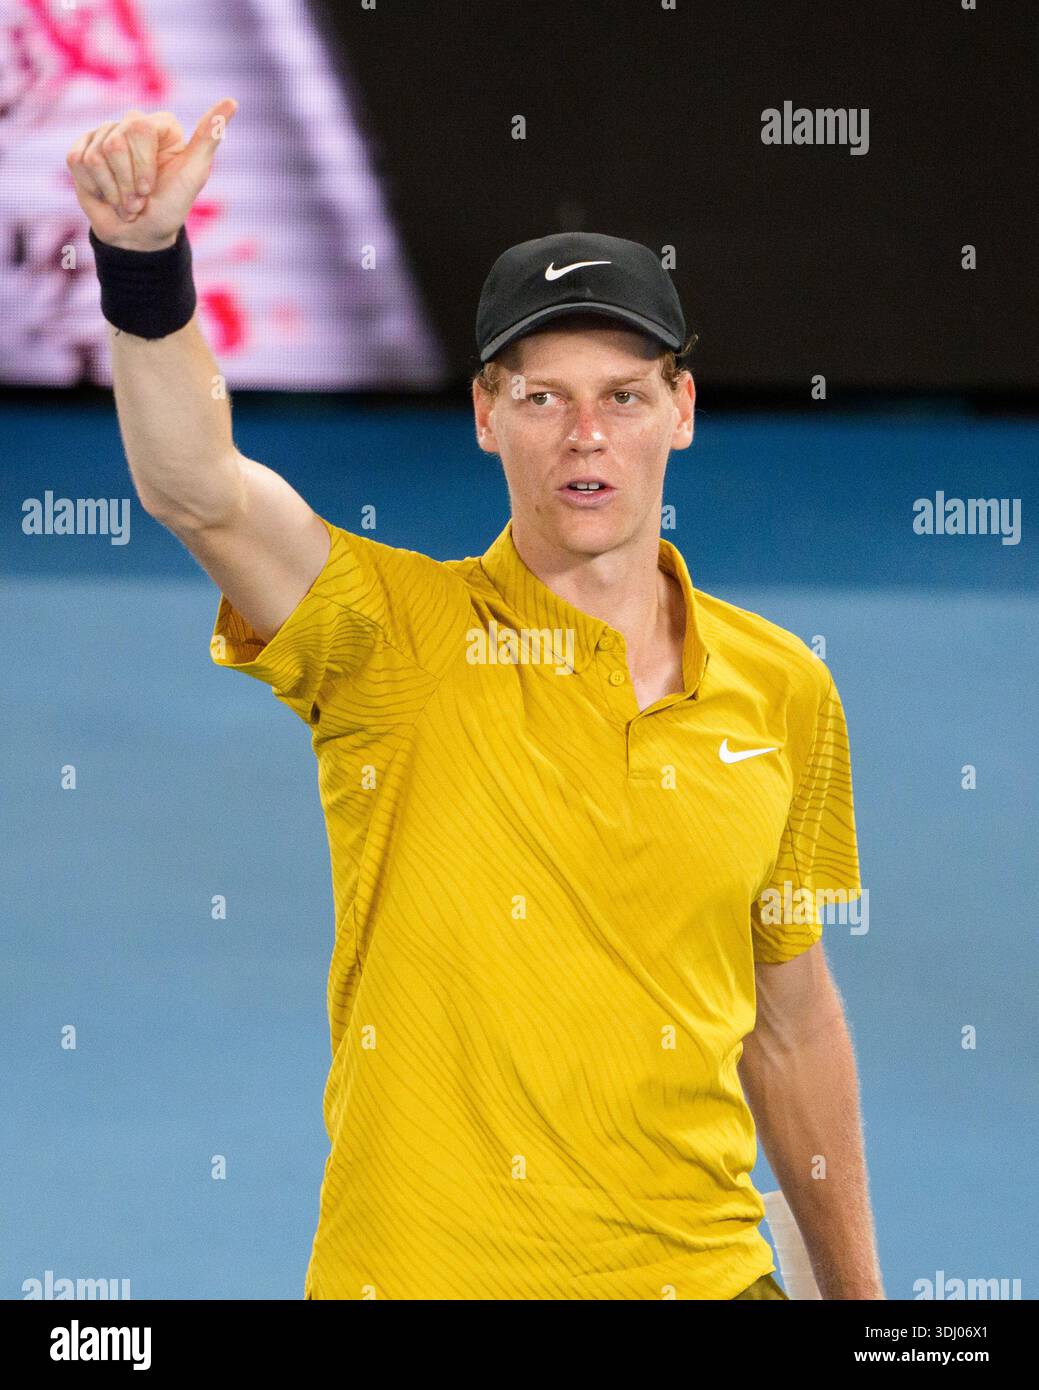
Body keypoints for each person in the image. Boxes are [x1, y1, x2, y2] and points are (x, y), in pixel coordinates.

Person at [67, 99, 885, 1301]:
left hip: (703, 1274)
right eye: (542, 397)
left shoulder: (782, 686)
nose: (586, 435)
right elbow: (199, 488)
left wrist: (862, 1306)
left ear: (682, 409)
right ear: (485, 415)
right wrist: (143, 262)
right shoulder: (386, 636)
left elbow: (793, 1020)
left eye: (623, 395)